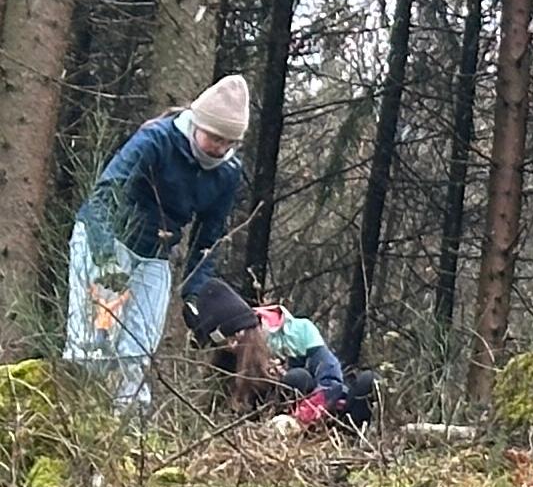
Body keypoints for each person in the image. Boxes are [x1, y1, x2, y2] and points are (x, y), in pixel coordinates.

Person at [64, 75, 250, 415]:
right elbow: (105, 196)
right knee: (92, 346)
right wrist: (105, 260)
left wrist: (195, 293)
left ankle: (128, 440)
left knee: (137, 353)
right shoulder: (156, 140)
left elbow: (209, 238)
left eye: (229, 142)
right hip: (106, 238)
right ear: (197, 123)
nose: (219, 149)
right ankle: (73, 423)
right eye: (215, 138)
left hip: (156, 255)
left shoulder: (228, 173)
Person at [182, 279, 377, 427]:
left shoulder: (300, 331)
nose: (232, 346)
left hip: (324, 413)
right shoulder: (230, 361)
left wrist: (297, 419)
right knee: (296, 380)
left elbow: (331, 383)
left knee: (366, 382)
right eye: (224, 343)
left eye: (235, 337)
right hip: (271, 420)